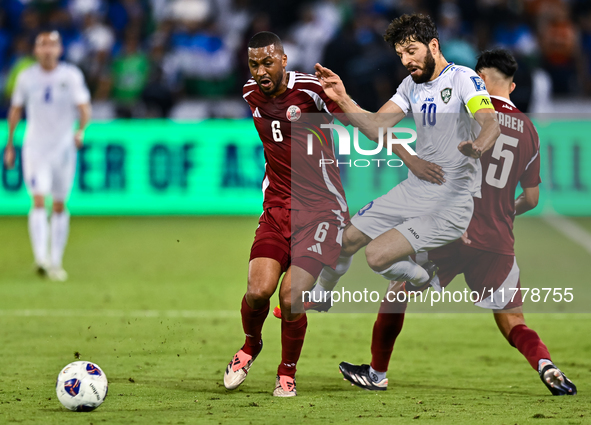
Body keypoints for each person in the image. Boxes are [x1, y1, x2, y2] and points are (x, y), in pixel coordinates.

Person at [338, 49, 577, 396]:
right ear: (512, 84)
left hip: (451, 227)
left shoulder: (466, 107)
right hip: (497, 239)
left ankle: (377, 372)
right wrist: (501, 213)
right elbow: (532, 199)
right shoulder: (531, 132)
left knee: (397, 290)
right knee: (513, 319)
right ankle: (545, 364)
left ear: (479, 78)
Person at [304, 13, 500, 313]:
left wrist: (477, 147)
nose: (406, 60)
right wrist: (342, 98)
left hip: (451, 202)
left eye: (412, 51)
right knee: (345, 240)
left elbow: (491, 124)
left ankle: (422, 277)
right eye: (400, 55)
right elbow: (375, 127)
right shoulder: (411, 85)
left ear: (433, 46)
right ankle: (321, 294)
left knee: (377, 256)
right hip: (416, 189)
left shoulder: (463, 79)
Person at [223, 31, 349, 397]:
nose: (260, 71)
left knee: (291, 298)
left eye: (266, 62)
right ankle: (250, 345)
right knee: (258, 290)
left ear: (283, 60)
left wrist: (342, 97)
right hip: (277, 207)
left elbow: (359, 124)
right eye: (253, 64)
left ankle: (286, 371)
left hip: (321, 212)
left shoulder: (311, 90)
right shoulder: (250, 94)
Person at [3, 31, 91, 282]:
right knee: (39, 200)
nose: (47, 50)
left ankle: (56, 261)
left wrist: (81, 131)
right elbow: (16, 110)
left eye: (52, 45)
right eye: (42, 45)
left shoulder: (71, 76)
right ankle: (40, 258)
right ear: (35, 50)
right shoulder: (26, 77)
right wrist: (10, 144)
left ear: (60, 49)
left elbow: (84, 108)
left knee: (60, 204)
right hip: (35, 148)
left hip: (63, 148)